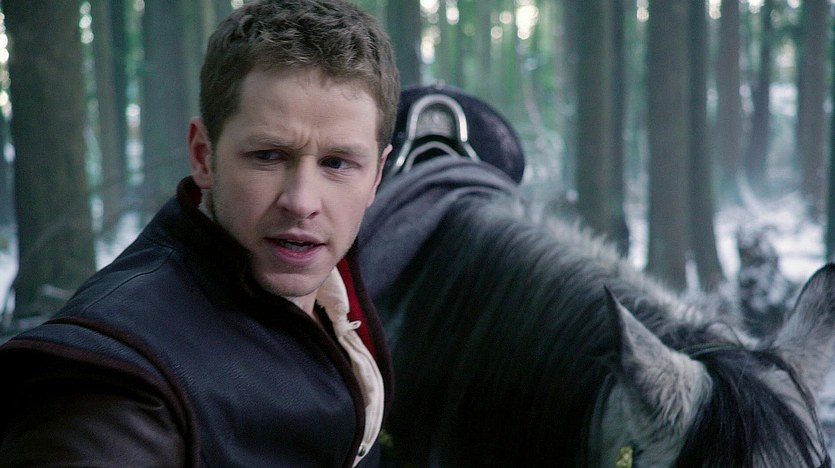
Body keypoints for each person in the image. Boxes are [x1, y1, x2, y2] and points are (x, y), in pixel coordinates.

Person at [0, 0, 398, 466]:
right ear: (203, 155)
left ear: (376, 176)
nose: (302, 200)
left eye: (337, 163)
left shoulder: (337, 298)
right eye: (268, 155)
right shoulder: (113, 383)